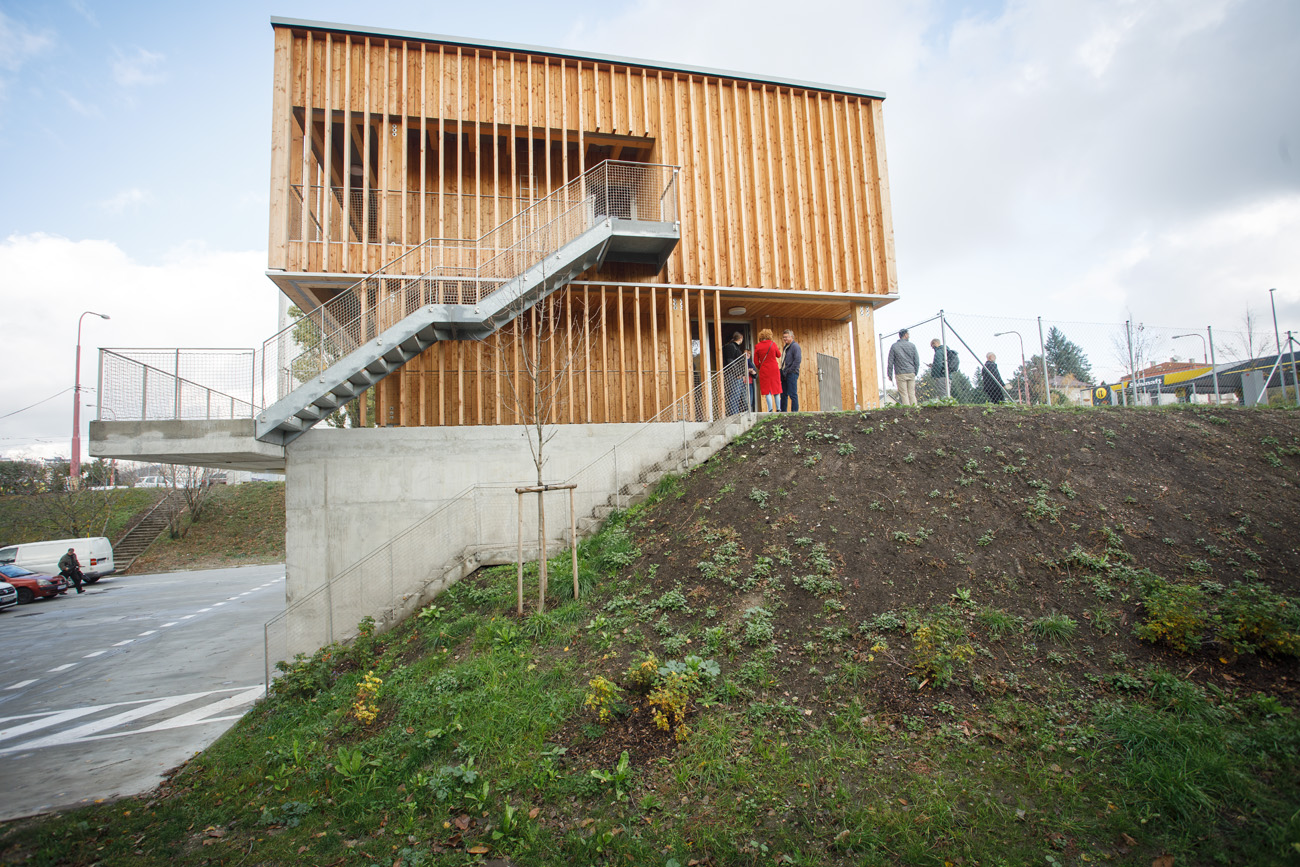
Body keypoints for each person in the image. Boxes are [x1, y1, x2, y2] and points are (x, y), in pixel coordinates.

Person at [887, 329, 920, 405]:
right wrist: (915, 371)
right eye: (908, 334)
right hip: (911, 372)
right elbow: (917, 360)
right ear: (905, 335)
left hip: (900, 373)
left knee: (904, 394)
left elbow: (890, 361)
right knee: (912, 393)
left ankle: (907, 411)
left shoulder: (894, 346)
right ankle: (915, 410)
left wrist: (890, 374)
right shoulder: (912, 345)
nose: (909, 336)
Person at [753, 328, 782, 412]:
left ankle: (770, 409)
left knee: (767, 390)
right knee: (776, 389)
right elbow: (779, 355)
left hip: (764, 369)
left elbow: (755, 361)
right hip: (774, 369)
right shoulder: (773, 344)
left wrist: (760, 367)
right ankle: (779, 409)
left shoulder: (757, 346)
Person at [721, 331, 749, 415]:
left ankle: (743, 413)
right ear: (741, 339)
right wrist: (737, 373)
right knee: (734, 396)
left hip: (738, 375)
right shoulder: (731, 347)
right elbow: (730, 361)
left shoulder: (735, 347)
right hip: (734, 375)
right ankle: (734, 414)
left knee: (742, 396)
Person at [779, 329, 802, 412]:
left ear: (791, 337)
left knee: (792, 394)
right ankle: (783, 411)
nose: (785, 339)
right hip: (785, 373)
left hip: (791, 373)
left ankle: (794, 412)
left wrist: (789, 370)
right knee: (783, 394)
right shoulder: (786, 347)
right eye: (783, 337)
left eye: (786, 337)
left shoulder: (795, 346)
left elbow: (797, 360)